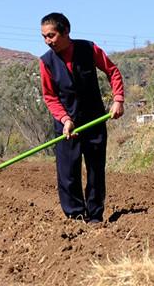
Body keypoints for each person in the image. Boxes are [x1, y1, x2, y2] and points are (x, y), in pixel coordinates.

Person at [39, 12, 124, 223]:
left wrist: (118, 99)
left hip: (94, 121)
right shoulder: (46, 62)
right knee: (68, 174)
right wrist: (64, 119)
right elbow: (49, 96)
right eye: (44, 37)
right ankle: (75, 216)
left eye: (51, 35)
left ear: (66, 31)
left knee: (95, 170)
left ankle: (95, 216)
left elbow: (112, 71)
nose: (48, 41)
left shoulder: (89, 49)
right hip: (66, 126)